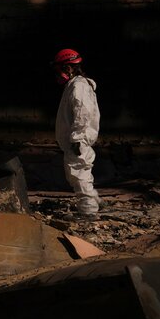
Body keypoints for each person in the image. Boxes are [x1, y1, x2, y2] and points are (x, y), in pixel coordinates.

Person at [52, 48, 101, 218]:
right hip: (77, 139)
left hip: (78, 140)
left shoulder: (78, 86)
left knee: (79, 172)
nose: (57, 74)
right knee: (79, 172)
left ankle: (88, 211)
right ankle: (93, 202)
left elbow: (83, 113)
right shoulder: (75, 85)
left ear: (68, 68)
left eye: (59, 70)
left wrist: (78, 138)